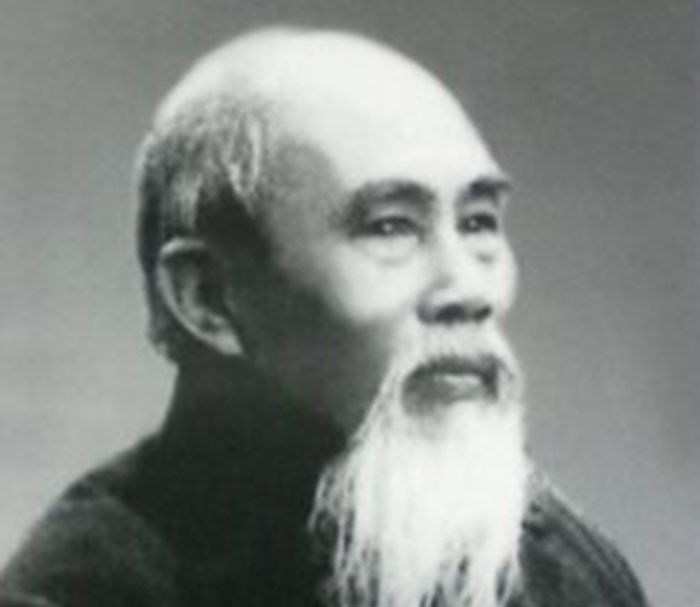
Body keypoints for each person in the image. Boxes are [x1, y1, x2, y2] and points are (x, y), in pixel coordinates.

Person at [0, 27, 649, 607]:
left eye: (478, 222)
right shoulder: (85, 589)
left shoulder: (546, 559)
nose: (472, 289)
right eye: (391, 226)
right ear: (208, 298)